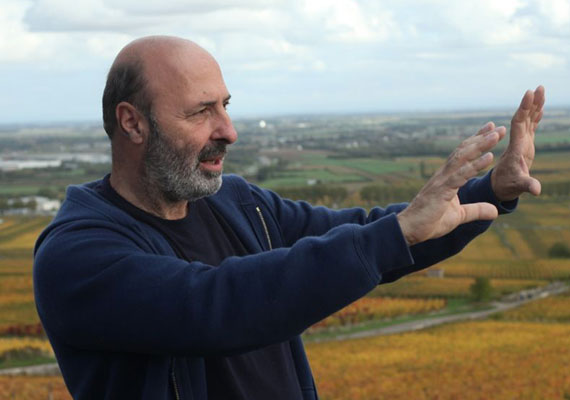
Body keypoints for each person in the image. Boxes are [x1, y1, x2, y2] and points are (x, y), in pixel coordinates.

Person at [33, 35, 545, 400]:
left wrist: (489, 191)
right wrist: (392, 235)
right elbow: (214, 305)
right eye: (201, 111)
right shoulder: (78, 255)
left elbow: (360, 234)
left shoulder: (238, 203)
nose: (229, 130)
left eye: (226, 106)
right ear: (132, 123)